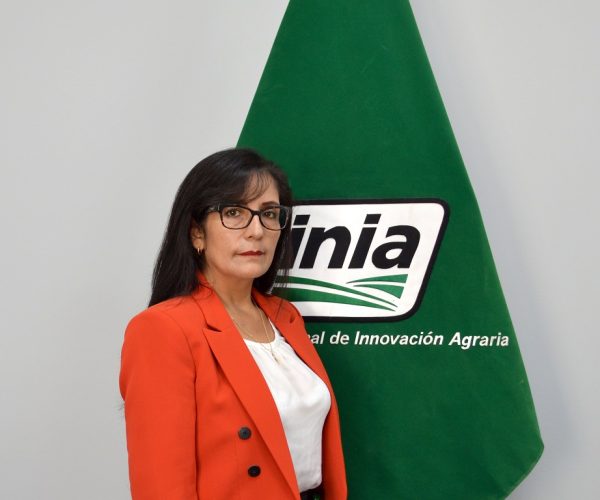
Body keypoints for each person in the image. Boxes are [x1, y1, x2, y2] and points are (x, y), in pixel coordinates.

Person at [119, 148, 347, 500]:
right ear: (196, 232)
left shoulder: (285, 316)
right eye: (234, 213)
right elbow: (161, 487)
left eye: (269, 214)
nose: (256, 231)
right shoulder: (163, 329)